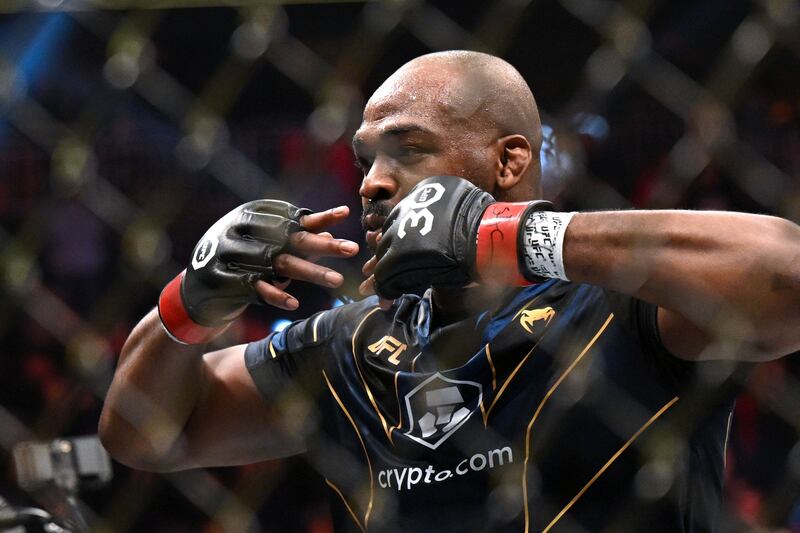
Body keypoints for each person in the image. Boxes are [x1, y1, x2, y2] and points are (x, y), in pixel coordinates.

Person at [99, 51, 800, 532]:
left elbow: (787, 274)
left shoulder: (618, 305)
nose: (372, 181)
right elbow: (144, 434)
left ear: (508, 161)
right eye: (365, 158)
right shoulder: (348, 343)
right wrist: (189, 303)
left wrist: (509, 236)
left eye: (406, 149)